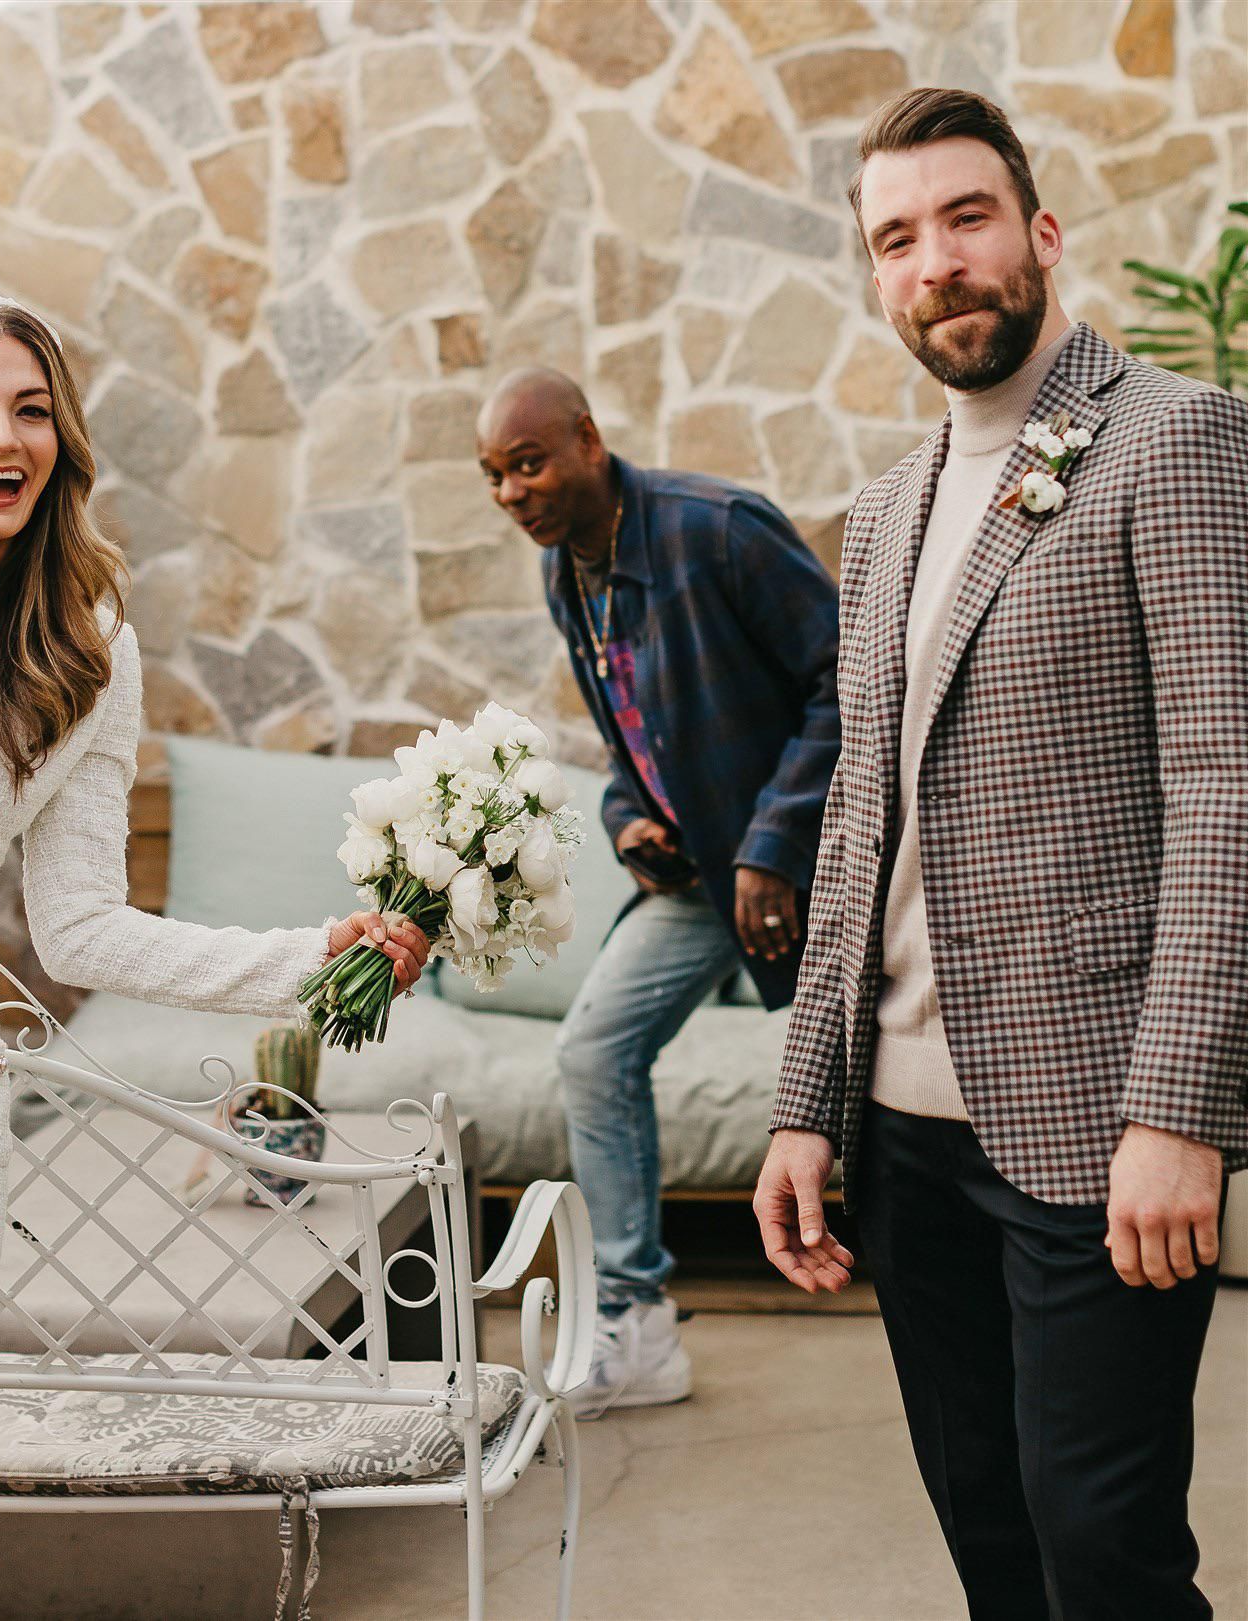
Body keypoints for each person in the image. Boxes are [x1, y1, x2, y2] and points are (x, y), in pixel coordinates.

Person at [0, 287, 429, 1620]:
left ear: (64, 444)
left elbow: (83, 929)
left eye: (33, 412)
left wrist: (308, 956)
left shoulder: (90, 652)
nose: (3, 438)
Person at [755, 89, 1248, 1620]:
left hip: (1098, 1127)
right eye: (896, 239)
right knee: (991, 1538)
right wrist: (804, 1107)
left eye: (965, 219)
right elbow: (858, 819)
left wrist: (1181, 1110)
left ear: (1039, 233)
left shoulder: (1174, 443)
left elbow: (1228, 788)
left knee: (1102, 1551)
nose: (937, 263)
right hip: (907, 1139)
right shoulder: (885, 511)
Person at [477, 370, 840, 1418]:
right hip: (700, 879)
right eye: (493, 476)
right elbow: (629, 738)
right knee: (591, 1049)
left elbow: (844, 676)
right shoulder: (566, 576)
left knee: (873, 1096)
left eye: (527, 462)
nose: (510, 493)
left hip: (813, 864)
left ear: (589, 440)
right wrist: (625, 821)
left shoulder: (715, 529)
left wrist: (770, 845)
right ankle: (635, 1323)